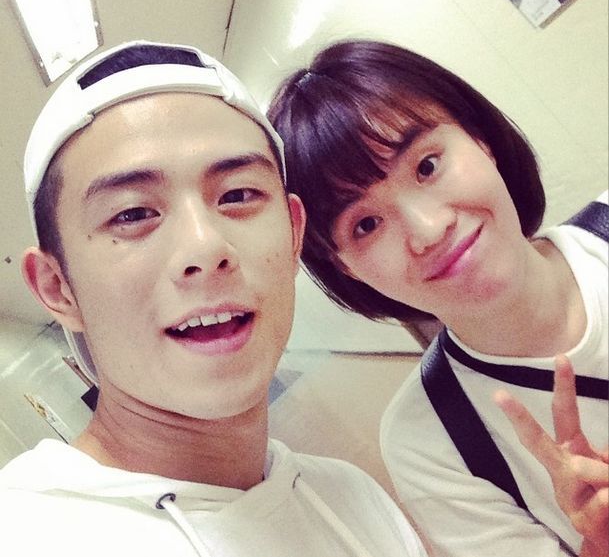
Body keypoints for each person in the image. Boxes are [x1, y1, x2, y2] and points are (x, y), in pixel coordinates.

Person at [0, 40, 428, 557]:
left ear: (294, 233)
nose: (205, 248)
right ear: (56, 287)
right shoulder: (25, 532)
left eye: (238, 195)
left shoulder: (353, 498)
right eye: (132, 214)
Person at [268, 39, 608, 557]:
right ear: (345, 266)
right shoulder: (431, 442)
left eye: (427, 166)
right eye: (366, 224)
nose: (428, 229)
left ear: (479, 140)